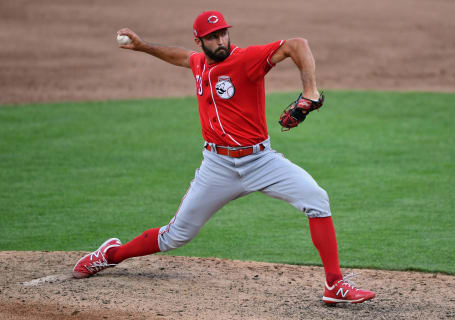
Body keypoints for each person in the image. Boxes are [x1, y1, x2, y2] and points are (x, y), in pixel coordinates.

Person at [72, 10, 376, 304]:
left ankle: (334, 285)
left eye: (223, 33)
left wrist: (309, 91)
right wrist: (142, 46)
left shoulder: (247, 60)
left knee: (317, 198)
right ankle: (110, 255)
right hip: (217, 167)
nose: (220, 40)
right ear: (200, 42)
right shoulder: (199, 64)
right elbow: (180, 56)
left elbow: (297, 44)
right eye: (212, 37)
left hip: (260, 161)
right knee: (175, 236)